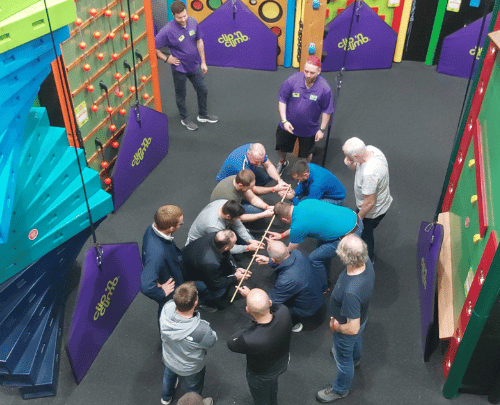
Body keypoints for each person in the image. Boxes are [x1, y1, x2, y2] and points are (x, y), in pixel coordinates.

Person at [316, 234, 374, 402]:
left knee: (343, 361)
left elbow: (352, 328)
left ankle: (340, 389)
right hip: (361, 317)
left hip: (347, 326)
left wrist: (336, 327)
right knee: (356, 340)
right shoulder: (366, 261)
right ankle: (355, 360)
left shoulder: (351, 291)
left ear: (344, 258)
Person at [155, 0, 218, 131]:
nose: (183, 19)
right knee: (181, 94)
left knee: (202, 90)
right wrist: (166, 59)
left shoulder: (193, 22)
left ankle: (203, 115)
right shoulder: (167, 30)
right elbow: (153, 48)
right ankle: (184, 118)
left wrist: (203, 62)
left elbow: (199, 41)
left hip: (194, 65)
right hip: (179, 68)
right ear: (173, 15)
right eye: (179, 17)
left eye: (185, 16)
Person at [269, 200, 362, 286]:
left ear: (285, 220)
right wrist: (282, 235)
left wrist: (274, 254)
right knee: (321, 245)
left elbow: (287, 251)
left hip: (349, 236)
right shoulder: (305, 202)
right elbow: (298, 228)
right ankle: (325, 266)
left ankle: (324, 286)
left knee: (314, 258)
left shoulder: (298, 226)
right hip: (355, 218)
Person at [227, 288, 292, 405]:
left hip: (261, 374)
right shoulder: (284, 311)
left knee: (260, 398)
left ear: (247, 310)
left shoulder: (249, 339)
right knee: (273, 387)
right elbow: (271, 306)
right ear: (270, 303)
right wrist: (252, 295)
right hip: (281, 363)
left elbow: (231, 342)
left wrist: (251, 324)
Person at [160, 282, 216, 405]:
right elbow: (212, 341)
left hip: (169, 358)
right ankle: (196, 402)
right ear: (195, 303)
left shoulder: (166, 308)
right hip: (190, 368)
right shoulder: (201, 330)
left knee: (168, 378)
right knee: (194, 390)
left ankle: (166, 398)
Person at [275, 55, 334, 173]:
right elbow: (282, 100)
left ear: (319, 71)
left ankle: (303, 170)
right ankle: (282, 162)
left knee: (306, 154)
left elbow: (327, 111)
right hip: (288, 126)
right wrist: (284, 120)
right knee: (281, 147)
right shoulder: (292, 80)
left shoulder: (325, 89)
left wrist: (321, 129)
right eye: (306, 71)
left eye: (312, 72)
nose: (308, 75)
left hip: (309, 130)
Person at [254, 240, 324, 332]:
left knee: (275, 308)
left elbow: (273, 301)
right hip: (316, 293)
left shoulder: (286, 280)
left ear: (274, 259)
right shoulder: (297, 253)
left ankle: (293, 324)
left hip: (308, 308)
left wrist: (250, 295)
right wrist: (270, 261)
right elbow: (284, 260)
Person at [342, 137, 392, 262]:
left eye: (349, 157)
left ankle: (368, 259)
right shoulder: (370, 150)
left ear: (356, 156)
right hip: (381, 202)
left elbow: (369, 203)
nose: (346, 160)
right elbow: (356, 165)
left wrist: (358, 221)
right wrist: (350, 163)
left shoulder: (370, 173)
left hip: (371, 212)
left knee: (365, 235)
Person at [181, 230, 251, 310]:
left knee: (224, 272)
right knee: (219, 291)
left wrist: (235, 268)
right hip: (187, 275)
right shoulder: (210, 263)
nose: (234, 245)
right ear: (225, 247)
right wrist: (235, 277)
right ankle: (203, 302)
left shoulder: (216, 236)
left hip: (194, 260)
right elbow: (216, 284)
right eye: (234, 244)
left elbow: (227, 254)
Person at [141, 205, 184, 319]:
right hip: (169, 285)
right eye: (180, 224)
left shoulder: (151, 229)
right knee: (166, 309)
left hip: (169, 268)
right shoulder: (158, 253)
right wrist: (161, 292)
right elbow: (146, 286)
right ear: (170, 228)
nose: (181, 225)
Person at [186, 199, 262, 254]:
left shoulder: (226, 204)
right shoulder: (214, 226)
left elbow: (238, 226)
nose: (239, 219)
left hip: (214, 228)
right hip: (199, 242)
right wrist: (247, 248)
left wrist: (249, 240)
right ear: (228, 217)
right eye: (237, 218)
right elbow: (226, 247)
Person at [216, 143, 288, 192]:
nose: (259, 164)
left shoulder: (256, 150)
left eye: (261, 161)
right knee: (249, 193)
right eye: (256, 162)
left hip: (248, 169)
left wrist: (279, 180)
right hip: (230, 181)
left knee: (266, 177)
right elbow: (252, 188)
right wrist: (274, 189)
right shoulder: (241, 167)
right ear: (248, 154)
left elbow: (268, 165)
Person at [210, 169, 275, 220]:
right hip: (225, 211)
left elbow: (252, 198)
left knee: (261, 204)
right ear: (241, 186)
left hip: (233, 202)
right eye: (250, 188)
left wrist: (267, 207)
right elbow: (238, 218)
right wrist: (263, 214)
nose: (252, 189)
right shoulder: (231, 198)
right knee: (258, 211)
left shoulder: (238, 179)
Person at [279, 160, 346, 206]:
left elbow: (308, 207)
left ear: (305, 175)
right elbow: (302, 183)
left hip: (336, 198)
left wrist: (292, 198)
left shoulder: (317, 185)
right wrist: (294, 192)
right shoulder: (308, 167)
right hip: (323, 190)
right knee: (299, 198)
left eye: (298, 179)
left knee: (310, 210)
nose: (297, 181)